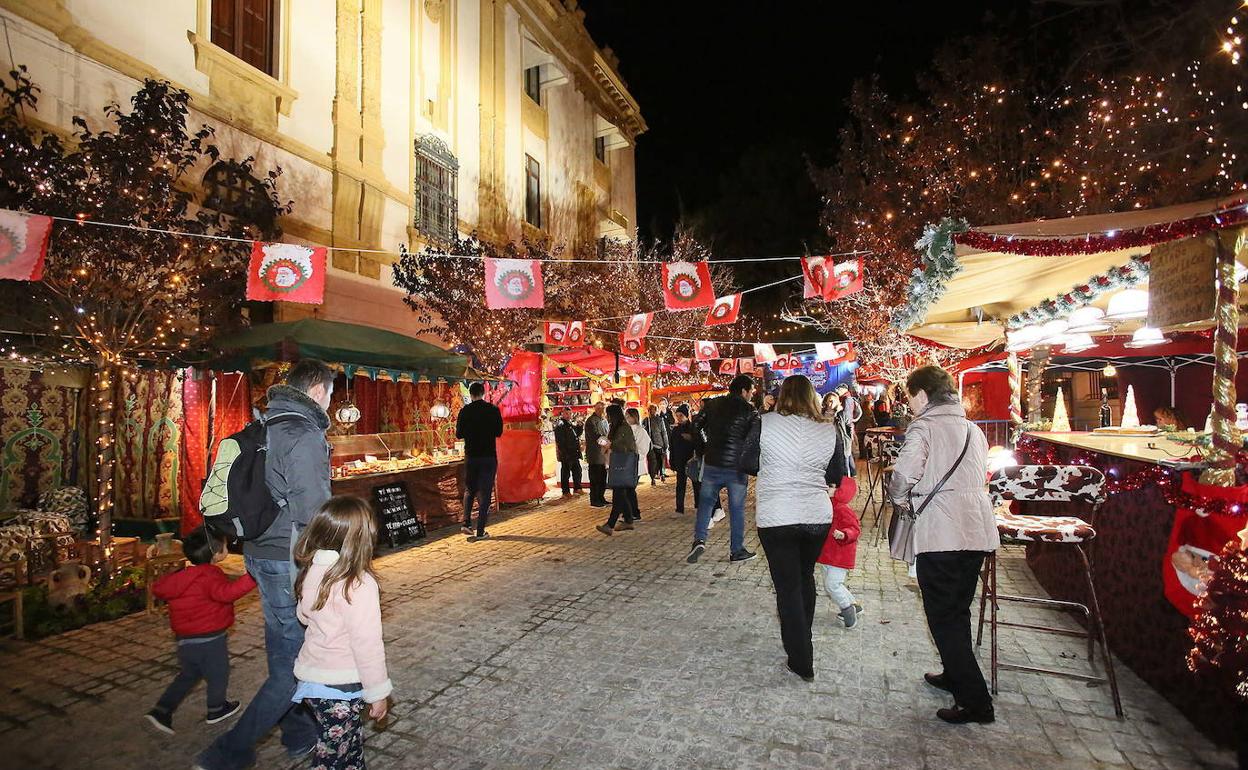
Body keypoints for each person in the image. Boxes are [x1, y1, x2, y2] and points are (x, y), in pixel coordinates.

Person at [195, 358, 334, 770]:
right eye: (330, 392)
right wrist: (325, 564)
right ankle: (227, 752)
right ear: (316, 391)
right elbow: (312, 509)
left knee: (283, 652)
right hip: (286, 559)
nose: (330, 400)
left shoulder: (267, 425)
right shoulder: (302, 433)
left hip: (257, 554)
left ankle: (298, 735)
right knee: (294, 668)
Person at [888, 365, 999, 725]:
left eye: (909, 396)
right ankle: (954, 673)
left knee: (943, 616)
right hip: (976, 530)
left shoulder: (924, 427)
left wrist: (899, 497)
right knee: (958, 609)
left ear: (922, 394)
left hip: (941, 531)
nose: (909, 403)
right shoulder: (972, 429)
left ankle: (975, 701)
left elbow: (904, 474)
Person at [754, 374, 844, 681]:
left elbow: (746, 462)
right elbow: (836, 473)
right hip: (816, 515)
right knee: (805, 578)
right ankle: (802, 637)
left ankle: (801, 657)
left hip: (776, 514)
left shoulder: (764, 422)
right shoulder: (829, 428)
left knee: (788, 587)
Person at [292, 496, 391, 769]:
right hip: (341, 685)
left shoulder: (315, 569)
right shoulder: (358, 584)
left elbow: (303, 614)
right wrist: (377, 692)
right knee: (333, 754)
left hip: (313, 681)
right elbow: (367, 645)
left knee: (349, 742)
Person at [146, 526, 257, 735]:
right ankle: (216, 709)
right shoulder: (208, 575)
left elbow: (160, 588)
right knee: (218, 673)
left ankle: (162, 709)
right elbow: (226, 594)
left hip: (184, 638)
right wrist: (252, 578)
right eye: (225, 545)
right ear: (216, 553)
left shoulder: (183, 576)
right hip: (210, 638)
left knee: (188, 675)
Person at [687, 374, 761, 564]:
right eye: (751, 391)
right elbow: (753, 441)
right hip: (736, 468)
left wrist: (704, 447)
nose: (751, 395)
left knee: (706, 503)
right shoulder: (750, 411)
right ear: (744, 391)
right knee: (737, 510)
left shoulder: (713, 404)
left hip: (712, 462)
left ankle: (699, 539)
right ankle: (736, 550)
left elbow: (696, 425)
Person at [457, 382, 504, 541]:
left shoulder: (464, 411)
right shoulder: (493, 410)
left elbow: (458, 434)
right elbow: (499, 432)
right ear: (483, 393)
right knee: (485, 493)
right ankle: (480, 530)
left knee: (470, 489)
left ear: (470, 394)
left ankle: (466, 523)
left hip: (471, 455)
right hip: (488, 456)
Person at [816, 476, 864, 628]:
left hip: (839, 555)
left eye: (830, 486)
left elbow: (855, 529)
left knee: (832, 585)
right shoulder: (826, 505)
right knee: (832, 583)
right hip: (827, 555)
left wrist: (844, 534)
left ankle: (847, 609)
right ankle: (855, 605)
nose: (826, 489)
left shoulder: (841, 508)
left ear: (839, 491)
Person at [596, 404, 639, 536]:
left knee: (619, 494)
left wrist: (611, 444)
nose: (606, 417)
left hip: (624, 463)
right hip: (618, 463)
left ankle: (610, 524)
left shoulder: (623, 427)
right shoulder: (615, 427)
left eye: (608, 414)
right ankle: (628, 519)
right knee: (620, 492)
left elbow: (626, 445)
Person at [584, 402, 610, 507]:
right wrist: (607, 444)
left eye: (603, 408)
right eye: (599, 408)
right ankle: (594, 499)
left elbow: (607, 434)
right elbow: (595, 436)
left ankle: (601, 497)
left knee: (603, 478)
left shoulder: (604, 421)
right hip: (595, 454)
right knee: (595, 478)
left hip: (603, 454)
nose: (601, 410)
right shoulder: (591, 421)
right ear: (595, 409)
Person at [553, 409, 584, 496]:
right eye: (566, 413)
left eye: (570, 413)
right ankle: (565, 491)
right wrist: (564, 452)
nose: (568, 415)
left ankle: (577, 488)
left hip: (574, 452)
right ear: (562, 414)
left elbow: (576, 434)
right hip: (567, 453)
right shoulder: (560, 425)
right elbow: (560, 441)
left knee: (577, 471)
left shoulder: (570, 424)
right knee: (566, 473)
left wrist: (580, 426)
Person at [627, 407, 649, 518]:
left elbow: (644, 448)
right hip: (628, 463)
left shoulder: (640, 431)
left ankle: (633, 512)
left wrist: (635, 454)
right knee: (627, 489)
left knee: (629, 489)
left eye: (629, 416)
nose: (627, 418)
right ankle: (630, 512)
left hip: (635, 463)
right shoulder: (627, 429)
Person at [643, 404, 670, 484]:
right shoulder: (645, 420)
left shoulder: (659, 420)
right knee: (652, 461)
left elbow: (664, 433)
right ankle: (653, 477)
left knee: (660, 460)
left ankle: (661, 474)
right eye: (650, 410)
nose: (652, 412)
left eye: (653, 410)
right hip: (650, 444)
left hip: (659, 444)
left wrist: (666, 444)